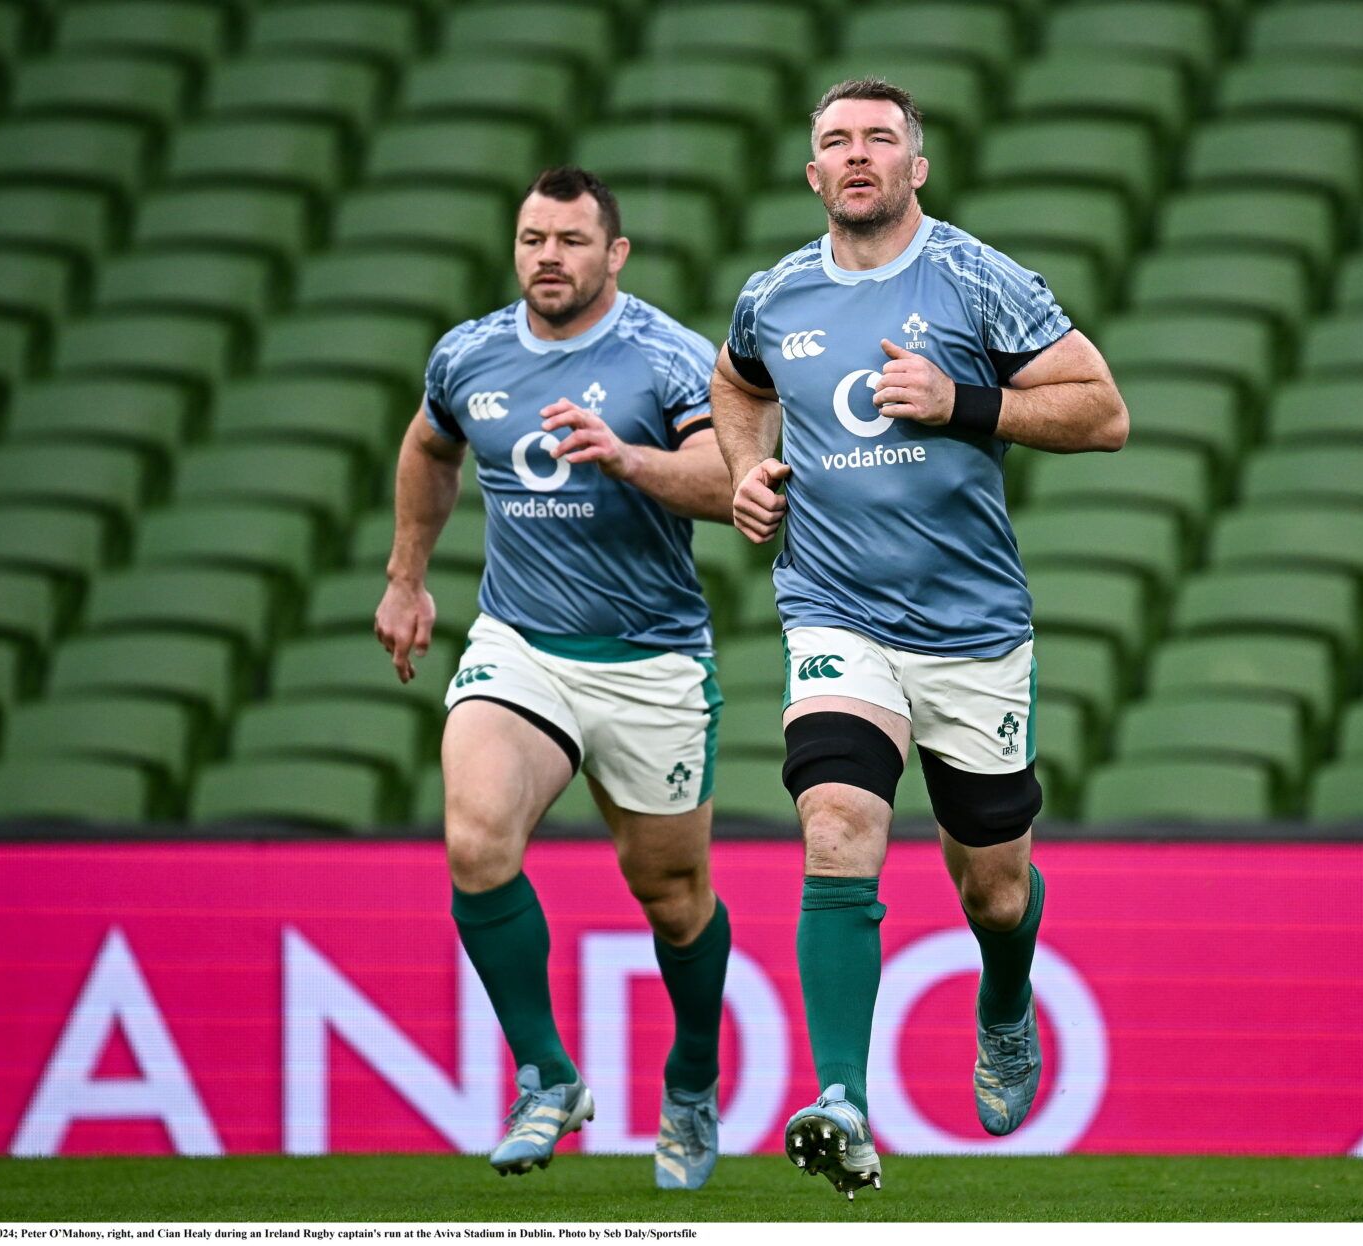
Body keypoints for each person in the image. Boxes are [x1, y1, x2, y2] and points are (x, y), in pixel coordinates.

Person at [709, 79, 1130, 1198]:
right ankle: (843, 1100)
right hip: (834, 611)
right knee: (838, 821)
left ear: (917, 167)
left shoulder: (978, 279)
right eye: (837, 141)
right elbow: (735, 383)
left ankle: (1006, 997)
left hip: (972, 631)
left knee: (995, 890)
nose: (858, 155)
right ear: (813, 173)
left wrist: (964, 403)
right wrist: (744, 468)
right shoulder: (774, 296)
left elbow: (1104, 412)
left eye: (880, 139)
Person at [374, 165, 735, 1190]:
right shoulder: (470, 353)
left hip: (651, 659)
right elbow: (430, 446)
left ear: (615, 254)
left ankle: (692, 1078)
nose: (548, 257)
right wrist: (406, 577)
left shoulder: (667, 357)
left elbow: (728, 482)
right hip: (521, 644)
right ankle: (547, 1074)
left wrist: (626, 458)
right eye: (533, 238)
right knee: (475, 838)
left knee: (672, 895)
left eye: (572, 241)